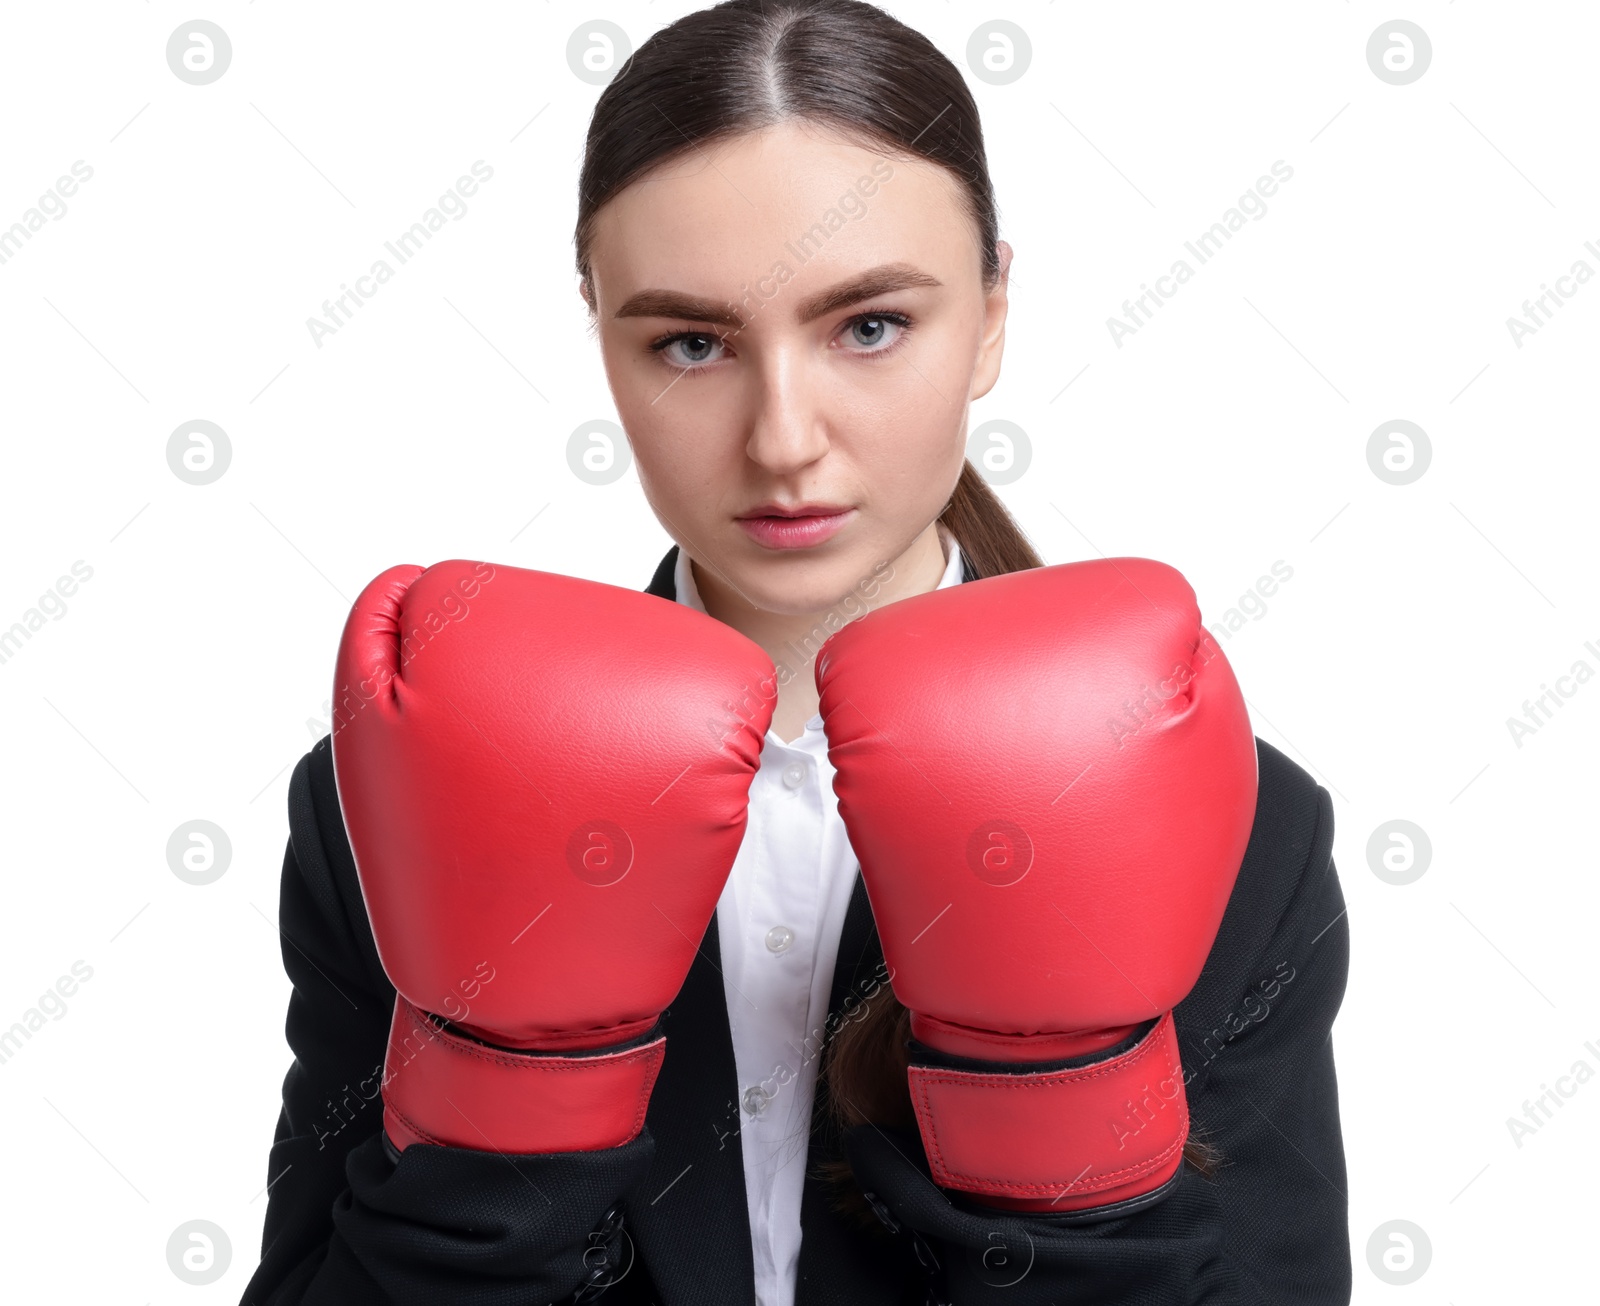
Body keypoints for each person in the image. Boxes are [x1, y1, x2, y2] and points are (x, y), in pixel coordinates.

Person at [240, 2, 1351, 1302]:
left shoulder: (1226, 814)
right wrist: (500, 1121)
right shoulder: (401, 786)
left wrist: (1063, 1154)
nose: (782, 439)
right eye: (692, 342)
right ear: (599, 328)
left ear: (993, 311)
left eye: (869, 324)